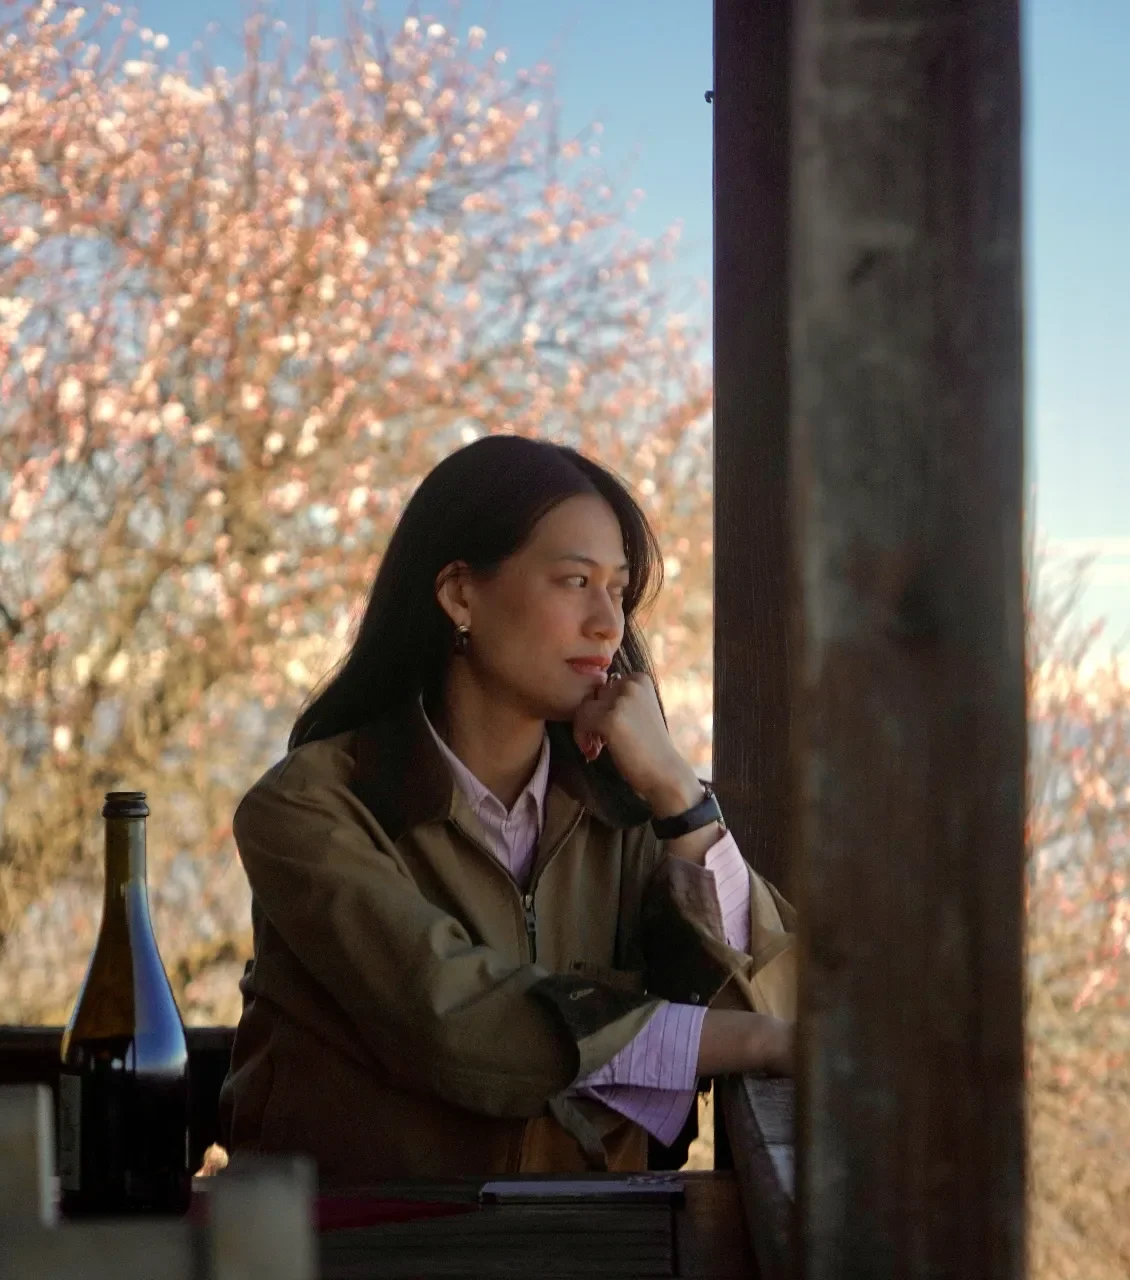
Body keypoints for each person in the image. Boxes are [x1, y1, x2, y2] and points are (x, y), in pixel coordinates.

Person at [217, 434, 797, 1178]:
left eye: (618, 589)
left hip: (598, 1229)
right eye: (574, 581)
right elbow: (453, 1019)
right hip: (373, 1232)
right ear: (461, 594)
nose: (608, 623)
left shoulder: (625, 808)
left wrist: (679, 797)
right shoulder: (308, 807)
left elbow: (772, 988)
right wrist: (753, 1042)